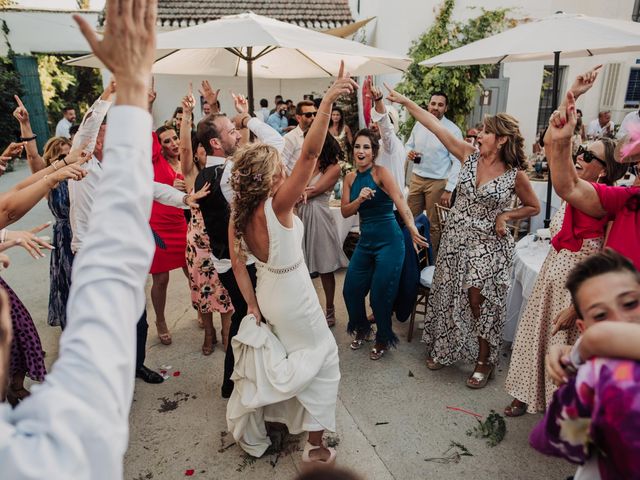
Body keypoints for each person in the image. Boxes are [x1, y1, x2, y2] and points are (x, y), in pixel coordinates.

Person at [0, 1, 158, 475]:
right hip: (76, 249)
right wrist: (128, 88)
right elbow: (109, 277)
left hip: (78, 246)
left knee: (120, 319)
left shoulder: (79, 167)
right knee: (85, 317)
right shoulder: (46, 456)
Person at [225, 62, 356, 463]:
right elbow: (312, 153)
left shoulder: (241, 212)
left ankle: (282, 421)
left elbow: (235, 263)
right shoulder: (276, 205)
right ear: (268, 178)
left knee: (292, 356)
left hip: (267, 291)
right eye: (280, 166)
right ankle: (315, 447)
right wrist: (329, 98)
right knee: (322, 358)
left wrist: (250, 304)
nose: (287, 166)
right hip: (295, 293)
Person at [386, 84, 540, 387]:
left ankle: (485, 360)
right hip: (456, 238)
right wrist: (404, 100)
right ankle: (444, 349)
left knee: (477, 299)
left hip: (488, 244)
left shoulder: (514, 174)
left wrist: (506, 215)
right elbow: (431, 123)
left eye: (486, 132)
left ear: (502, 140)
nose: (478, 136)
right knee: (446, 295)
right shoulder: (468, 156)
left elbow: (533, 207)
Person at [504, 135, 626, 416]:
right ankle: (524, 394)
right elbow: (552, 147)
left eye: (588, 156)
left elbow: (607, 263)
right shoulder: (573, 193)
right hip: (548, 281)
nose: (579, 158)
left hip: (576, 293)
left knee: (562, 350)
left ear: (604, 170)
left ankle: (557, 410)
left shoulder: (608, 206)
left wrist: (577, 307)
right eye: (580, 152)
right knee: (534, 338)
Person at [194, 94, 284, 398]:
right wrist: (250, 119)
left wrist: (237, 117)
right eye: (231, 130)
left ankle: (233, 381)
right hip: (240, 262)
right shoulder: (231, 174)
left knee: (246, 317)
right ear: (217, 143)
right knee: (253, 317)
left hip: (225, 260)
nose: (238, 133)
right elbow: (277, 146)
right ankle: (240, 380)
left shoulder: (207, 174)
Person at [530, 249, 640, 480]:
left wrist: (587, 346)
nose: (619, 322)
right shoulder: (590, 376)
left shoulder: (592, 350)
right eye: (600, 316)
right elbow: (571, 436)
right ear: (582, 327)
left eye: (630, 303)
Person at [14, 84, 116, 330]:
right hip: (66, 238)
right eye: (61, 155)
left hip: (88, 236)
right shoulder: (47, 181)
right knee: (72, 292)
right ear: (52, 160)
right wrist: (25, 125)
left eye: (69, 152)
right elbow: (32, 158)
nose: (68, 156)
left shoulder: (83, 172)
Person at [341, 127, 428, 360]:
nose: (361, 151)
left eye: (366, 147)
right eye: (357, 146)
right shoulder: (350, 178)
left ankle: (383, 338)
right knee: (351, 290)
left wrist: (410, 227)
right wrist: (359, 199)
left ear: (374, 152)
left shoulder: (381, 173)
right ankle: (362, 328)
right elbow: (345, 212)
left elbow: (400, 200)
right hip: (366, 242)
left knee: (380, 295)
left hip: (390, 242)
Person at [545, 65, 640, 270]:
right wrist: (563, 137)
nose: (580, 156)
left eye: (588, 155)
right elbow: (569, 186)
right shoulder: (627, 199)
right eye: (637, 164)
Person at [179, 89, 234, 353]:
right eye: (197, 148)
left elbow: (220, 132)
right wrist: (187, 116)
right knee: (204, 290)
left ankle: (226, 331)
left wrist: (212, 105)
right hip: (198, 245)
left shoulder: (225, 169)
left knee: (224, 290)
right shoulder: (192, 176)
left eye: (203, 148)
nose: (199, 151)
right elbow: (183, 149)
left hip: (220, 241)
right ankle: (209, 330)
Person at [298, 134, 349, 326]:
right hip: (301, 214)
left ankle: (330, 309)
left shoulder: (334, 168)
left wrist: (297, 192)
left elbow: (316, 190)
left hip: (319, 216)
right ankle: (307, 308)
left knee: (325, 266)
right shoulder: (308, 161)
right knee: (301, 265)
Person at [405, 92, 463, 253]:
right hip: (417, 178)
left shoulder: (452, 130)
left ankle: (432, 261)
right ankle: (410, 256)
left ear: (446, 108)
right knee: (409, 219)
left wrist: (449, 189)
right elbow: (408, 145)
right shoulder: (419, 124)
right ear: (428, 105)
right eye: (433, 103)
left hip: (438, 182)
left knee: (434, 225)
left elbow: (458, 161)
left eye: (440, 104)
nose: (435, 107)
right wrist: (408, 152)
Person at [149, 124, 189, 345]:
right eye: (167, 141)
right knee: (161, 278)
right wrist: (149, 104)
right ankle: (161, 320)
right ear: (159, 146)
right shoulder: (155, 161)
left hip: (181, 222)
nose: (173, 143)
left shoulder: (186, 159)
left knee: (191, 271)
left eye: (175, 138)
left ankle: (201, 309)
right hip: (158, 225)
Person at [282, 100, 317, 173]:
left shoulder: (319, 135)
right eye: (308, 115)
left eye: (315, 114)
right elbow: (282, 166)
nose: (313, 117)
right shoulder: (290, 138)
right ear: (298, 118)